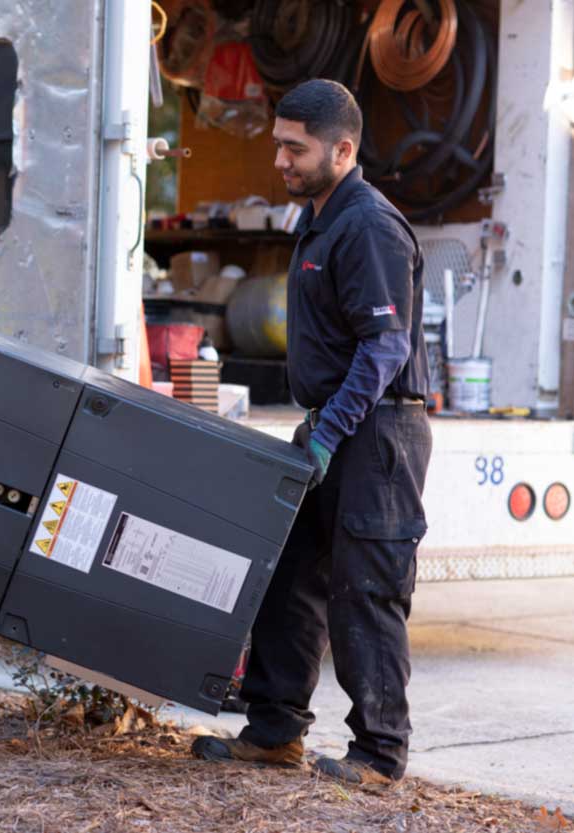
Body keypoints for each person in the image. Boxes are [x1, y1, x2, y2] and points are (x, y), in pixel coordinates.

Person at [192, 79, 432, 785]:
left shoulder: (368, 225)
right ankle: (274, 731)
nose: (281, 161)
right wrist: (318, 429)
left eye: (295, 148)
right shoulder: (320, 218)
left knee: (367, 589)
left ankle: (381, 752)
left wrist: (332, 432)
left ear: (343, 148)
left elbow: (384, 348)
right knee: (291, 578)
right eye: (278, 145)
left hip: (378, 433)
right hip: (333, 423)